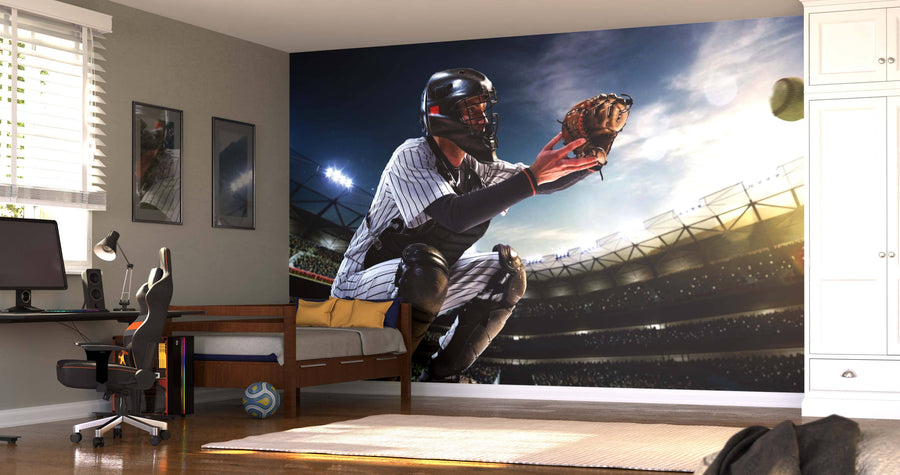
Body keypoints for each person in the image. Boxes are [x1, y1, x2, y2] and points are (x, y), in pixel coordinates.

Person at [331, 68, 603, 381]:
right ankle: (383, 378)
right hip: (356, 287)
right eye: (472, 111)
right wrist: (532, 177)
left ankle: (441, 376)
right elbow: (454, 214)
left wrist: (591, 153)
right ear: (443, 115)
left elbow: (541, 181)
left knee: (507, 272)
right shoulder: (411, 156)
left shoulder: (478, 167)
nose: (484, 120)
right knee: (424, 270)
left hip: (420, 280)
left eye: (483, 110)